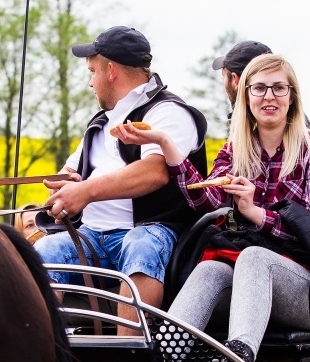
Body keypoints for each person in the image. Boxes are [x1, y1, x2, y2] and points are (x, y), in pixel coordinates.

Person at [115, 53, 310, 362]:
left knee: (252, 256)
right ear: (246, 96)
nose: (269, 97)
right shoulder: (237, 150)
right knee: (210, 270)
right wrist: (165, 143)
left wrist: (256, 213)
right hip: (252, 286)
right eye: (259, 88)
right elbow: (204, 200)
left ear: (292, 96)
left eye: (279, 88)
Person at [36, 26, 208, 335]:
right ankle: (44, 354)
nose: (90, 82)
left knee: (140, 246)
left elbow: (155, 171)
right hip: (90, 236)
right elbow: (70, 171)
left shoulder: (169, 112)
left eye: (92, 72)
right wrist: (65, 183)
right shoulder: (100, 123)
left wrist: (85, 191)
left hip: (151, 232)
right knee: (45, 253)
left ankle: (128, 361)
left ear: (111, 70)